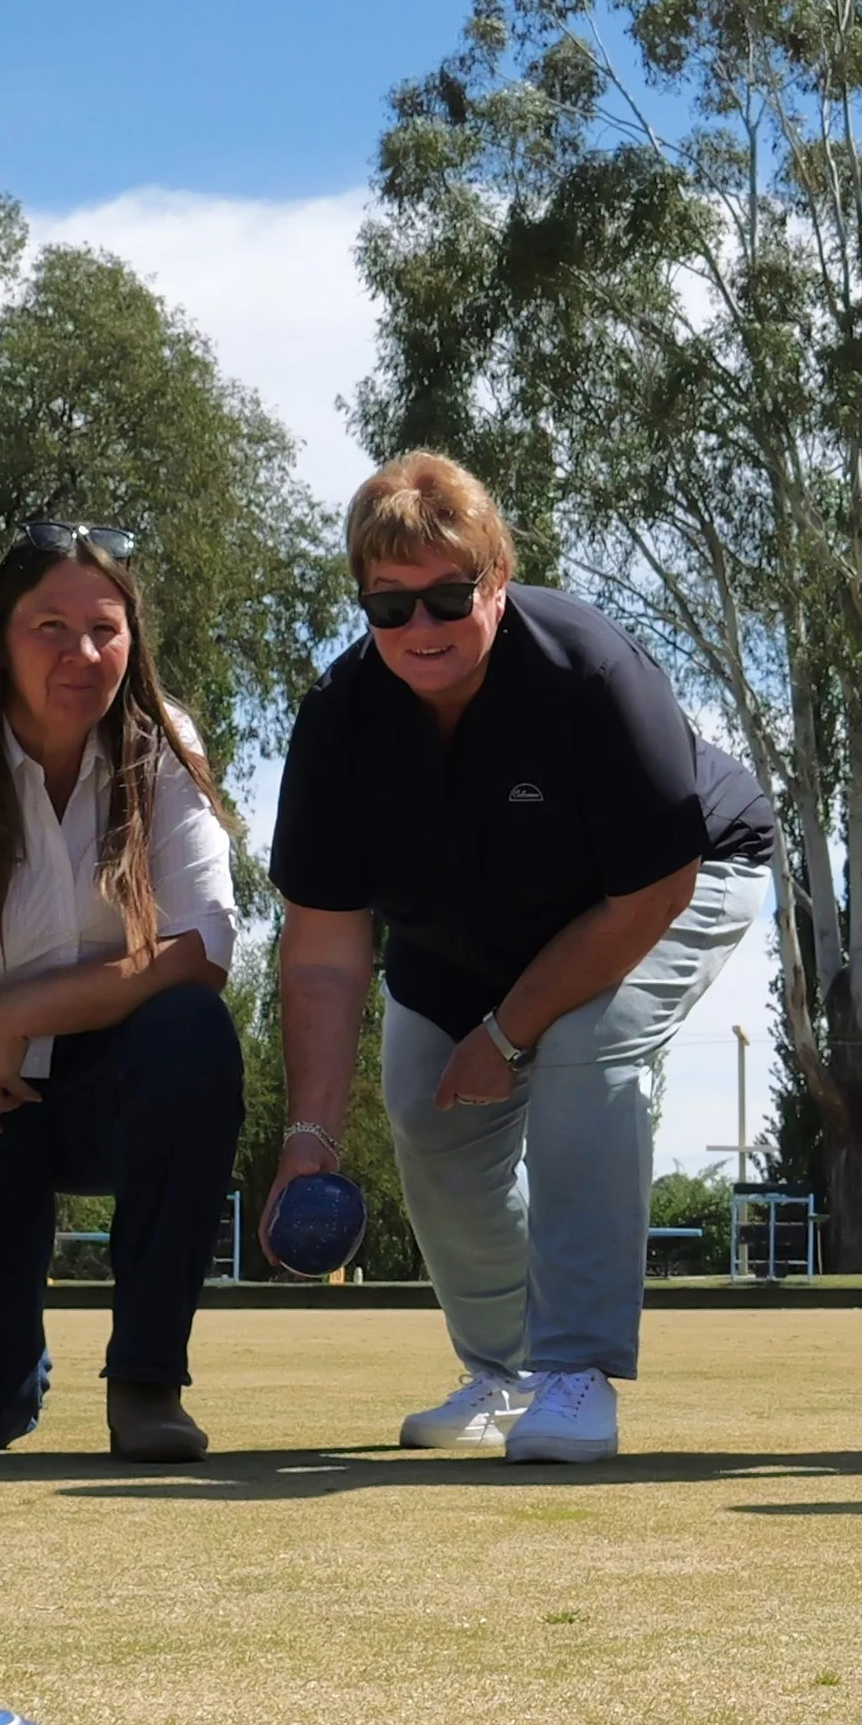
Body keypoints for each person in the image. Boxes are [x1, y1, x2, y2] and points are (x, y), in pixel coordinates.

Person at [267, 452, 774, 1465]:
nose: (421, 626)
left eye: (448, 596)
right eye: (390, 605)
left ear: (496, 579)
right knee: (425, 1110)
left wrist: (507, 1033)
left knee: (585, 1051)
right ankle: (502, 1373)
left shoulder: (591, 673)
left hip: (671, 881)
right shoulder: (338, 717)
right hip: (462, 931)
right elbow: (323, 946)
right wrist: (309, 1135)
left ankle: (576, 1370)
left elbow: (652, 892)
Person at [0, 521, 245, 1461]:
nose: (83, 653)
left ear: (133, 641)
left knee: (194, 1032)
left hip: (113, 1084)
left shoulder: (163, 747)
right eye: (51, 628)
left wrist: (22, 1013)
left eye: (105, 629)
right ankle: (5, 1370)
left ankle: (147, 1382)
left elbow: (204, 947)